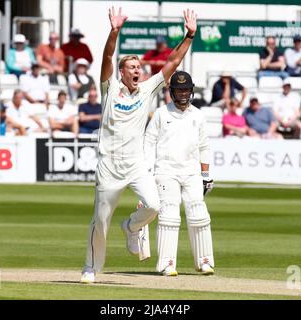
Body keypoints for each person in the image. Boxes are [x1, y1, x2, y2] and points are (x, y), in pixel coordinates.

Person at [81, 6, 198, 284]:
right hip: (109, 165)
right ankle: (90, 268)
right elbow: (108, 56)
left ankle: (132, 226)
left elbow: (172, 61)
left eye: (139, 67)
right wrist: (115, 30)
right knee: (100, 222)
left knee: (155, 206)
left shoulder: (147, 89)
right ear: (121, 72)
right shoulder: (109, 88)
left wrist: (190, 35)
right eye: (132, 67)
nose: (138, 70)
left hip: (135, 166)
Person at [144, 71, 215, 276]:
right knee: (169, 215)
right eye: (179, 90)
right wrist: (147, 174)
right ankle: (167, 263)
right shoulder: (161, 113)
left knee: (199, 214)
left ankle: (204, 261)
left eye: (186, 89)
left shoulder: (198, 115)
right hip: (165, 171)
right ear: (172, 92)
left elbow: (204, 146)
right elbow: (148, 144)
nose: (183, 93)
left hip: (192, 172)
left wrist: (205, 174)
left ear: (191, 91)